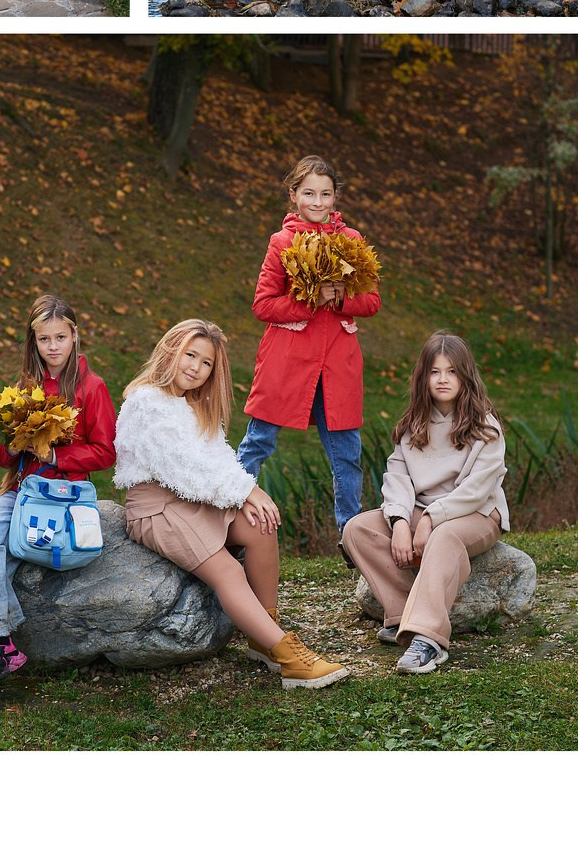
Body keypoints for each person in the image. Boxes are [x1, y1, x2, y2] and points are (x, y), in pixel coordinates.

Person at [114, 319, 349, 689]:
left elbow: (216, 457)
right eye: (189, 355)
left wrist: (247, 491)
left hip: (192, 498)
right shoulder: (146, 402)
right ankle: (289, 658)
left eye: (205, 363)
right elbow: (181, 468)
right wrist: (244, 493)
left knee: (260, 525)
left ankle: (263, 637)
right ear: (170, 350)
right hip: (157, 509)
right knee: (228, 571)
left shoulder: (192, 405)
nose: (195, 367)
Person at [0, 294, 118, 700]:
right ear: (32, 342)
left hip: (63, 497)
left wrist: (55, 453)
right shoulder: (25, 387)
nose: (52, 347)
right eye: (43, 339)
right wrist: (17, 439)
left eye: (60, 337)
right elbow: (2, 455)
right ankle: (1, 645)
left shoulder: (92, 388)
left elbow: (106, 452)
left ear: (74, 336)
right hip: (22, 492)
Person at [340, 333, 510, 675]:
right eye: (435, 372)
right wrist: (400, 521)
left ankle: (429, 640)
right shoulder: (413, 425)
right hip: (423, 513)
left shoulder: (485, 427)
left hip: (474, 514)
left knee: (445, 537)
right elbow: (398, 479)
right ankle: (404, 616)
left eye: (452, 371)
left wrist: (432, 519)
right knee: (356, 529)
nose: (443, 379)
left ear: (466, 376)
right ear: (424, 377)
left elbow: (476, 491)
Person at [235, 155, 381, 531]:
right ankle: (227, 514)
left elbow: (372, 301)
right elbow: (263, 304)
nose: (318, 202)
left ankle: (352, 534)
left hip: (337, 365)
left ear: (335, 198)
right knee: (259, 442)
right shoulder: (282, 243)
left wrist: (339, 299)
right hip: (288, 362)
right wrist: (308, 300)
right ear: (294, 195)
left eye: (326, 194)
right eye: (309, 193)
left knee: (346, 453)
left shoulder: (352, 242)